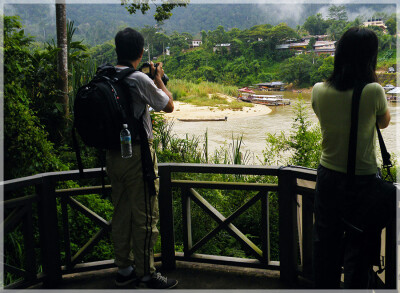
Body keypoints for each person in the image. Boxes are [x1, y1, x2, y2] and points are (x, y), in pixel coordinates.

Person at [311, 27, 392, 289]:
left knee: (326, 243)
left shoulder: (317, 90)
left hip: (327, 176)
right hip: (363, 180)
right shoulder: (373, 91)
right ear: (370, 58)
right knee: (360, 245)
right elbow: (384, 123)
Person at [106, 27, 177, 289]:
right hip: (138, 154)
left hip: (114, 155)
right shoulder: (138, 79)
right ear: (141, 52)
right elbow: (168, 105)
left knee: (122, 212)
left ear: (117, 50)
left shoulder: (107, 76)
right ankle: (147, 273)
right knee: (146, 214)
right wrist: (158, 78)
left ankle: (124, 269)